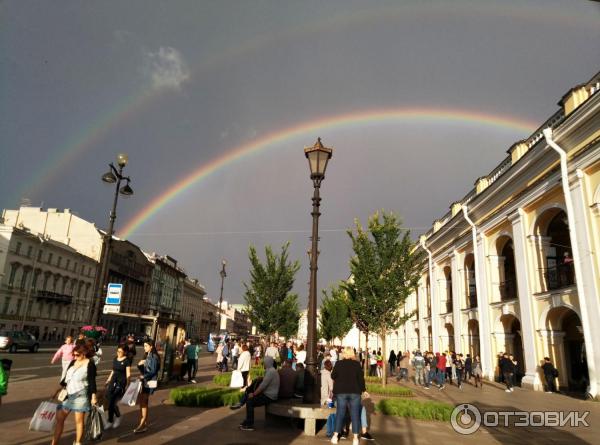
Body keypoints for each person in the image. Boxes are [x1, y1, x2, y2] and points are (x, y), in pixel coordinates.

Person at [51, 343, 97, 445]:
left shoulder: (90, 364)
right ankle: (54, 443)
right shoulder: (73, 362)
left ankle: (78, 442)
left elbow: (92, 381)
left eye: (77, 355)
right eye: (74, 355)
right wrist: (58, 389)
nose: (75, 357)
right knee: (60, 418)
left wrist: (93, 396)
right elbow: (66, 378)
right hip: (68, 394)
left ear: (84, 354)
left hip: (81, 395)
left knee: (79, 421)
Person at [330, 347, 367, 445]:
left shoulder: (338, 363)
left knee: (340, 413)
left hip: (341, 392)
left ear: (344, 354)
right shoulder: (357, 364)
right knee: (355, 415)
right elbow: (361, 379)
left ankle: (335, 436)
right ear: (352, 354)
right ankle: (355, 439)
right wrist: (364, 390)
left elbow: (333, 376)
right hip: (355, 392)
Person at [239, 356, 280, 431]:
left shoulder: (271, 372)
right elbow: (265, 382)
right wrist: (261, 378)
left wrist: (254, 394)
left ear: (267, 363)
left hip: (269, 396)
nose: (263, 364)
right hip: (269, 395)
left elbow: (262, 386)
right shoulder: (271, 370)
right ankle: (247, 419)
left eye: (264, 363)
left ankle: (249, 424)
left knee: (250, 402)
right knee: (250, 393)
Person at [134, 340, 160, 434]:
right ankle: (144, 423)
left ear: (151, 346)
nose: (144, 347)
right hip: (145, 381)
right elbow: (144, 370)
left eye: (146, 346)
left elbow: (153, 371)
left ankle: (142, 423)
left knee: (144, 402)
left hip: (150, 382)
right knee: (142, 402)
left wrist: (143, 376)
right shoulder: (148, 356)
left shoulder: (153, 357)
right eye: (144, 346)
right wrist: (139, 365)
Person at [104, 344, 131, 429]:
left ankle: (110, 420)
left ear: (125, 352)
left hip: (121, 383)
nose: (118, 353)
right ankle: (118, 415)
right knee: (109, 399)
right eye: (117, 351)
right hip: (113, 381)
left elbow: (128, 374)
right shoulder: (115, 359)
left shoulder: (127, 361)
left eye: (120, 352)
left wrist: (127, 385)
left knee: (112, 401)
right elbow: (113, 370)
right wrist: (108, 380)